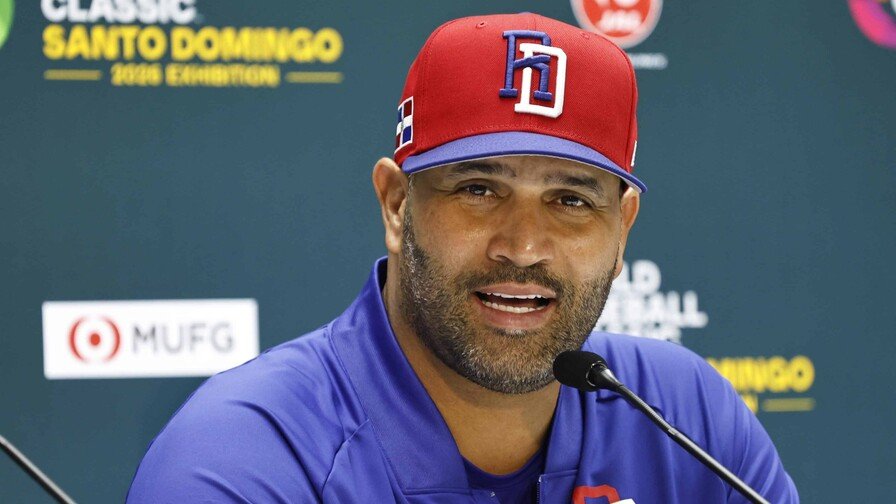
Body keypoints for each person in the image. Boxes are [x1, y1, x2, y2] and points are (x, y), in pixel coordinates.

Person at [127, 13, 798, 503]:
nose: (524, 246)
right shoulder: (244, 463)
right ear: (396, 205)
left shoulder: (688, 419)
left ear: (622, 228)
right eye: (479, 189)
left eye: (570, 200)